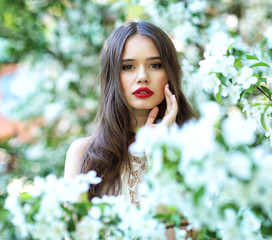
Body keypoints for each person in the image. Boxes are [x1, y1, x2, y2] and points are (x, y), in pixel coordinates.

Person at [64, 21, 194, 204]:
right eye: (128, 67)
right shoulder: (83, 154)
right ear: (113, 76)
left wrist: (160, 153)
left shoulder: (199, 146)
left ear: (170, 71)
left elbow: (191, 232)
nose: (142, 77)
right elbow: (75, 231)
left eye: (155, 65)